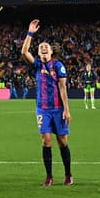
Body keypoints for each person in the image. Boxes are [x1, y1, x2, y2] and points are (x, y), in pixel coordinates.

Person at [21, 20, 72, 186]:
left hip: (58, 108)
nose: (43, 48)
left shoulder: (58, 65)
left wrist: (66, 109)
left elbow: (63, 87)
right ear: (38, 52)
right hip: (42, 109)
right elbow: (24, 51)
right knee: (46, 141)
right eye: (40, 47)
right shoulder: (37, 65)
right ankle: (49, 176)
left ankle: (68, 174)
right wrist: (30, 33)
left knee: (62, 141)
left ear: (51, 51)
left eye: (46, 47)